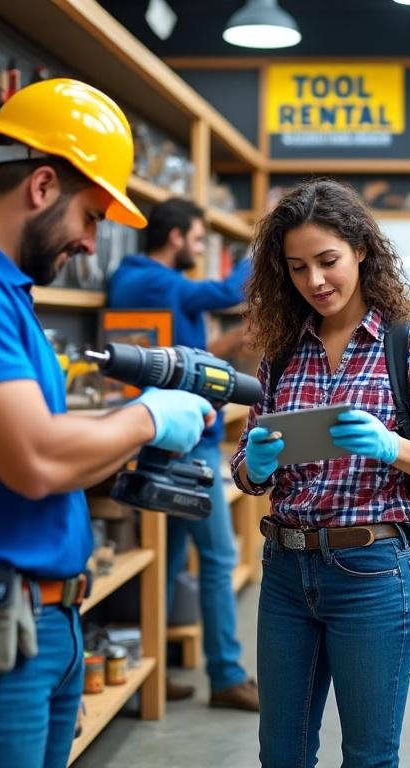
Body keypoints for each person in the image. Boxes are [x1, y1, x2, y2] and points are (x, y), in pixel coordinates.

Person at [0, 79, 216, 768]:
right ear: (42, 185)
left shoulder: (0, 288)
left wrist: (118, 443)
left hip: (40, 621)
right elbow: (35, 460)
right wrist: (147, 417)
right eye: (91, 217)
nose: (91, 243)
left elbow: (47, 452)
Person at [231, 179, 410, 767]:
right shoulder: (283, 354)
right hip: (286, 571)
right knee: (280, 756)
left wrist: (392, 447)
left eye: (327, 261)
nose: (314, 281)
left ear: (362, 250)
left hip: (370, 574)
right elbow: (248, 468)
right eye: (296, 268)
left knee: (368, 757)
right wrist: (254, 465)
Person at [106, 198, 258, 710]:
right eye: (197, 239)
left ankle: (154, 667)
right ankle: (227, 675)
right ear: (175, 237)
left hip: (186, 437)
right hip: (181, 445)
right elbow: (231, 289)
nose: (199, 248)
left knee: (169, 559)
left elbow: (184, 359)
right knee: (217, 557)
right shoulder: (148, 278)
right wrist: (263, 241)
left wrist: (232, 343)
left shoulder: (159, 288)